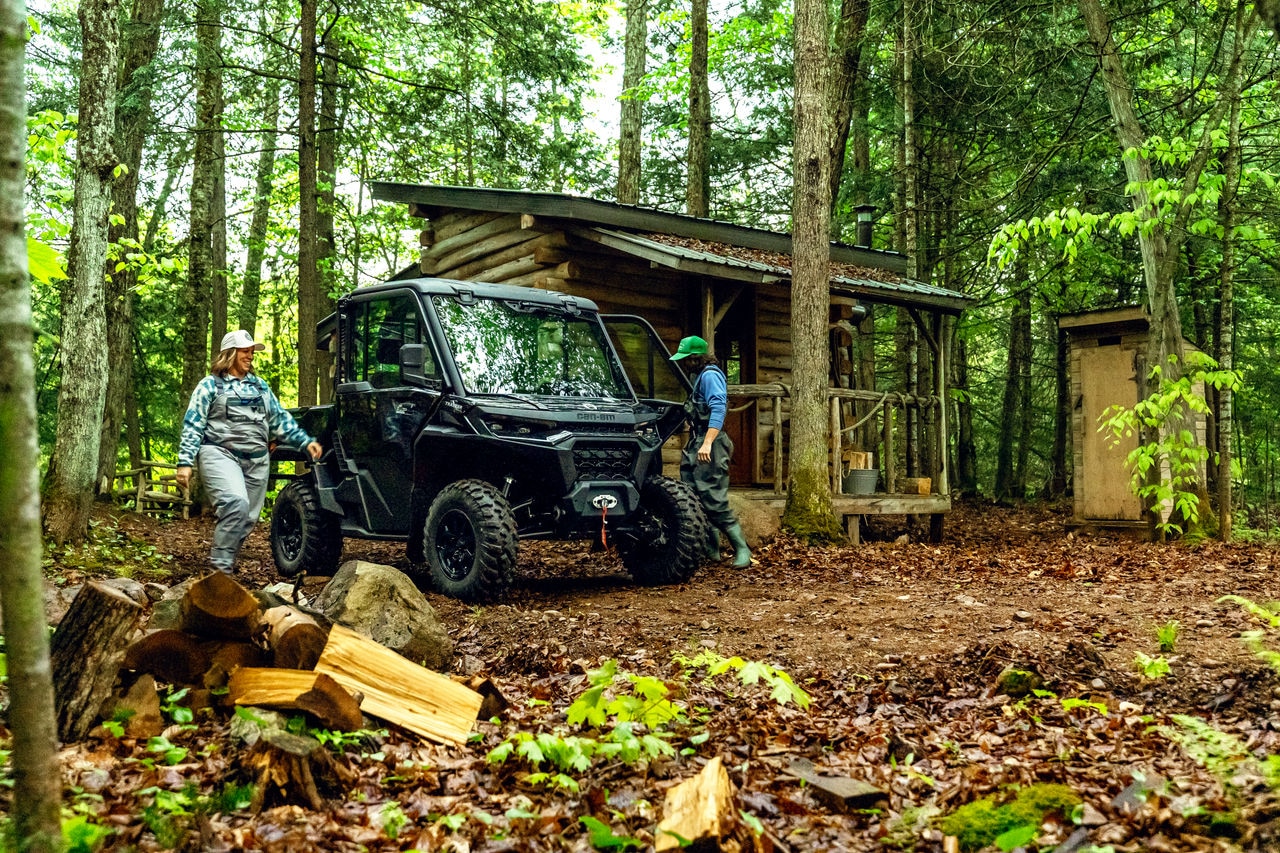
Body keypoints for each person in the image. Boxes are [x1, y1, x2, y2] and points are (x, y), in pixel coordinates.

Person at [176, 330, 323, 573]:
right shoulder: (210, 386)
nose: (250, 356)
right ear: (230, 353)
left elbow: (278, 419)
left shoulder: (260, 387)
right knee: (236, 504)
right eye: (245, 351)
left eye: (252, 352)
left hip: (257, 461)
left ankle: (223, 566)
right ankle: (220, 573)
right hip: (220, 454)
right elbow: (193, 423)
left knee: (246, 519)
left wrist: (304, 441)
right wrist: (185, 461)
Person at [670, 335, 751, 568]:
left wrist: (707, 443)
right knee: (693, 494)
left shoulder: (711, 376)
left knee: (713, 497)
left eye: (686, 358)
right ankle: (711, 548)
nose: (683, 363)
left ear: (696, 358)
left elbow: (717, 408)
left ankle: (742, 548)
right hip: (696, 441)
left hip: (711, 443)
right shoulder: (697, 378)